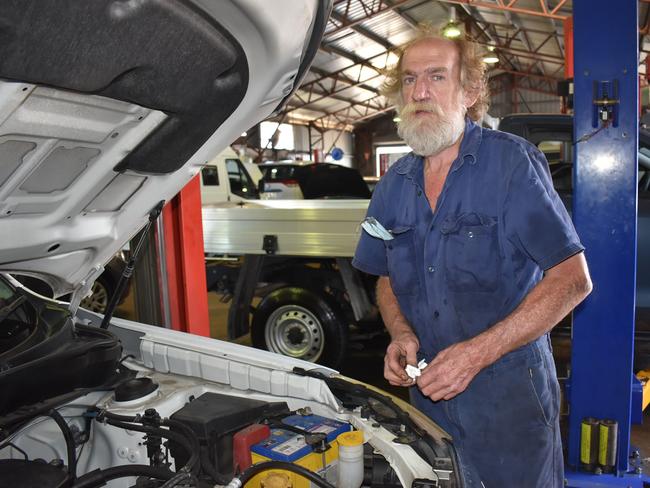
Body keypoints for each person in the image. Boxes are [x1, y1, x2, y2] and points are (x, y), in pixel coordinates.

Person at [352, 29, 592, 488]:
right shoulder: (392, 185)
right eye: (409, 80)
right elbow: (384, 277)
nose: (419, 92)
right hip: (427, 401)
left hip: (508, 401)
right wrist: (401, 333)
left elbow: (572, 280)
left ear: (470, 91)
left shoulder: (512, 165)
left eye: (437, 77)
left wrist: (476, 355)